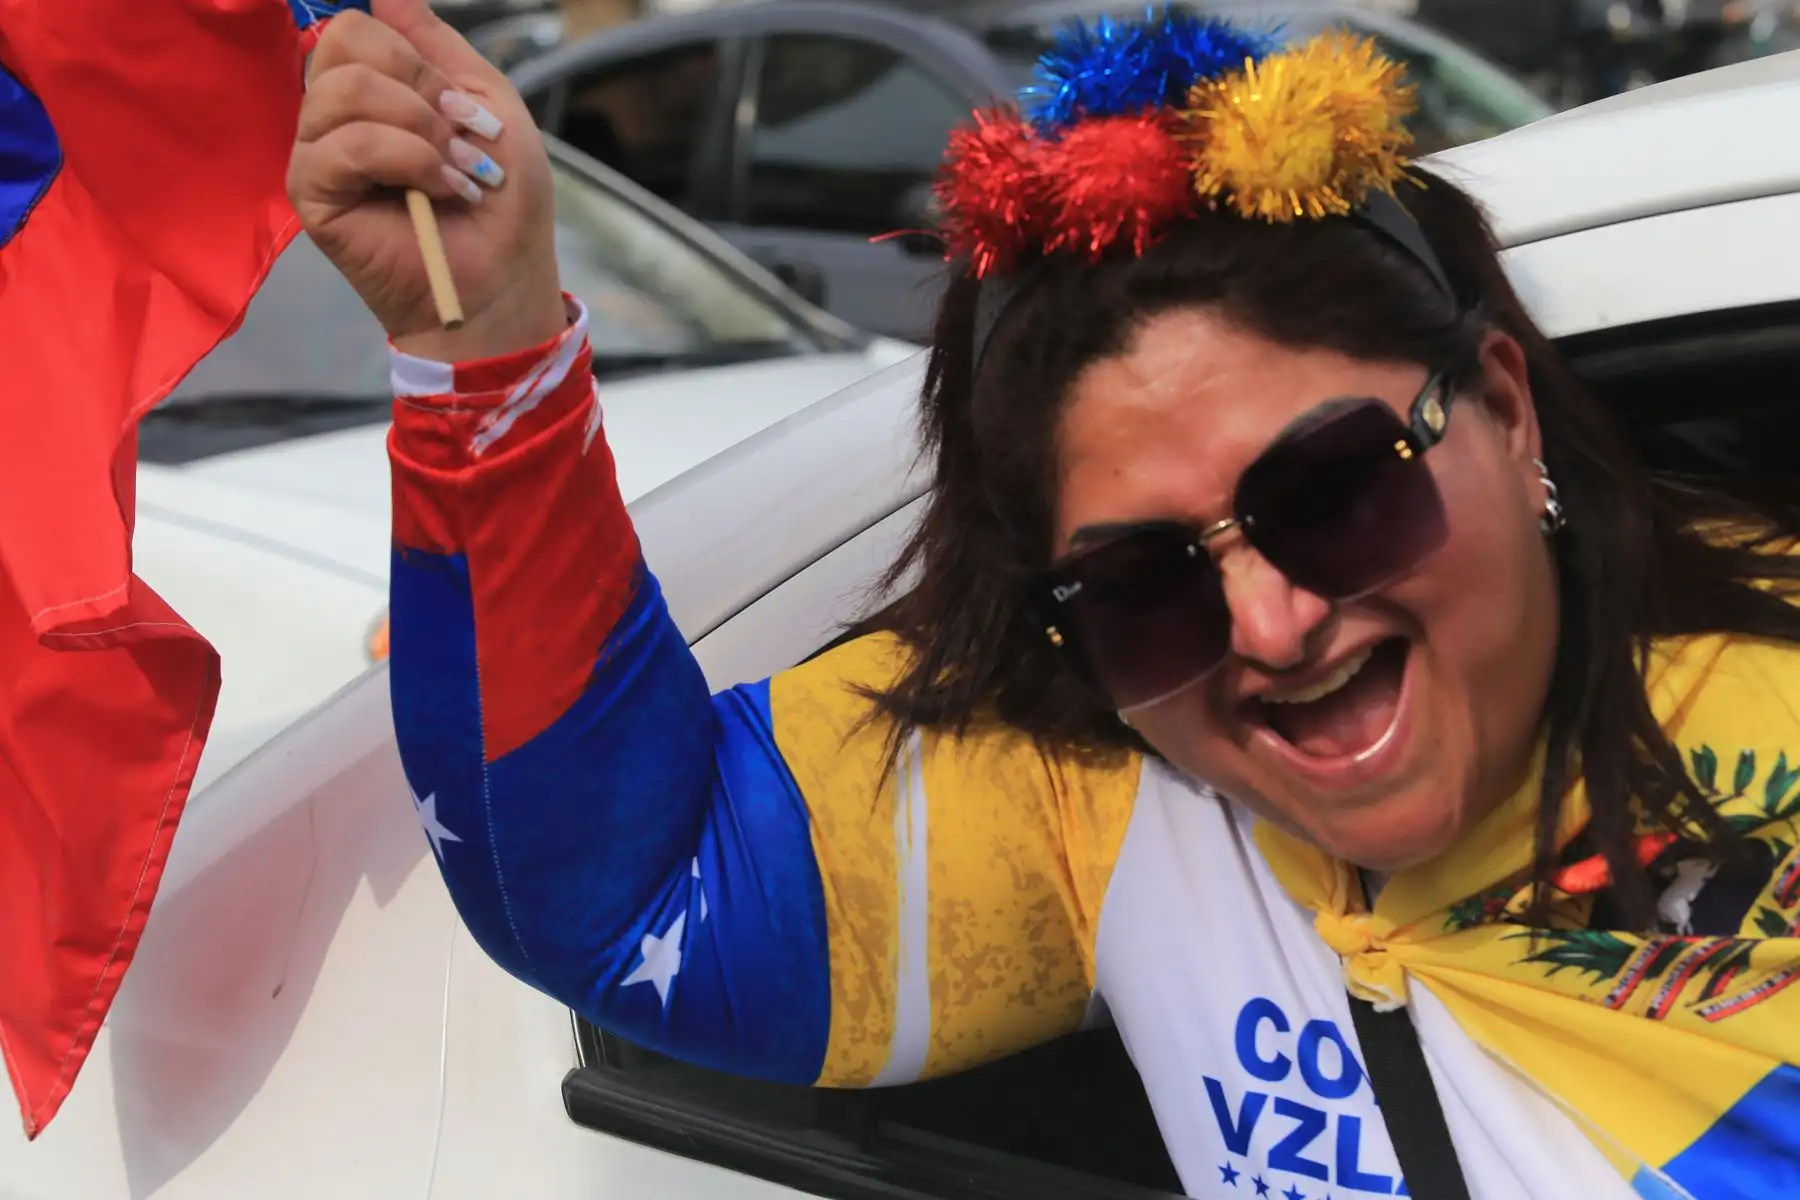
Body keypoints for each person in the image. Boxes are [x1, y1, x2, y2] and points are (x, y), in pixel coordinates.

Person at [289, 2, 1800, 1195]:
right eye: (1143, 586)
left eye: (1336, 493)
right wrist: (484, 351)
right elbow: (622, 895)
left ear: (1503, 407)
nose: (1272, 626)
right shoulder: (1108, 799)